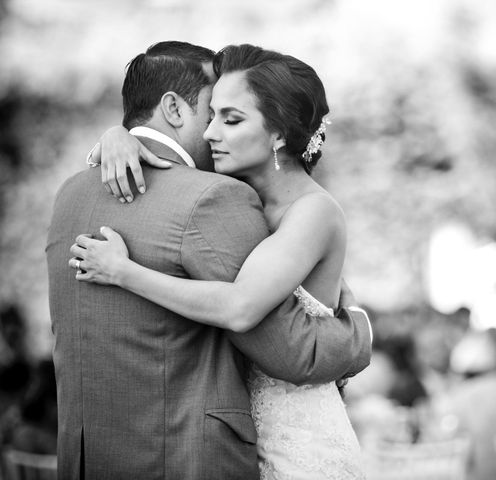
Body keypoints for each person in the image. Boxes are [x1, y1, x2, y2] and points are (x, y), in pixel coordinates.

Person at [47, 41, 371, 480]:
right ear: (174, 109)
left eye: (230, 118)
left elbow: (242, 309)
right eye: (212, 113)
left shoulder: (70, 194)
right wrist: (115, 135)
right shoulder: (220, 196)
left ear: (278, 133)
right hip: (194, 451)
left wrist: (125, 272)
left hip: (292, 441)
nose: (211, 132)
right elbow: (283, 344)